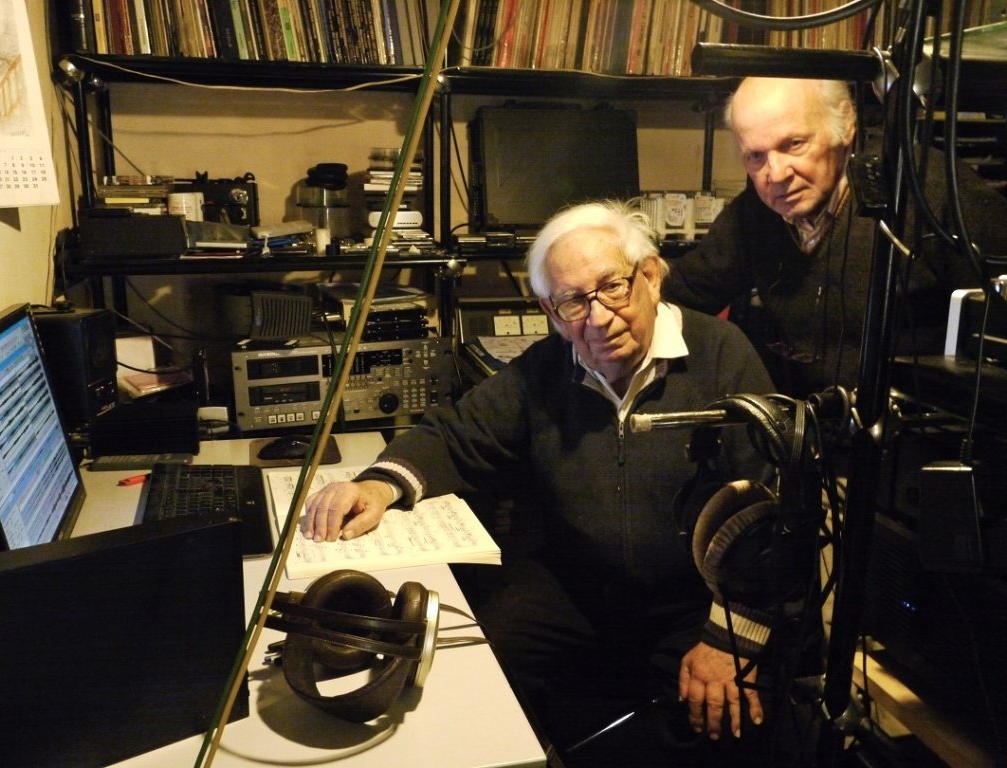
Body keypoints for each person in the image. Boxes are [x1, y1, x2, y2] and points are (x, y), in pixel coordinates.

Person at [300, 200, 817, 766]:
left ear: (649, 276)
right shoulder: (547, 366)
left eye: (612, 288)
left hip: (693, 598)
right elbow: (456, 433)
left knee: (706, 719)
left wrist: (730, 635)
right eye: (573, 301)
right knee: (470, 662)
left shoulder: (724, 355)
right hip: (579, 584)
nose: (596, 318)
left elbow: (775, 505)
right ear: (550, 308)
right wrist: (377, 485)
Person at [662, 77, 1007, 399]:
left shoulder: (924, 188)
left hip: (921, 432)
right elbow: (684, 292)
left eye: (794, 144)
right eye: (756, 156)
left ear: (844, 124)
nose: (776, 175)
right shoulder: (754, 214)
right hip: (810, 434)